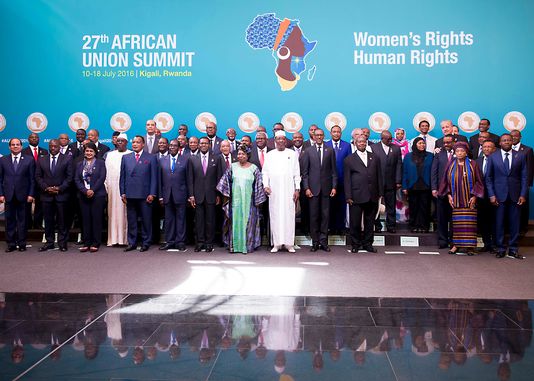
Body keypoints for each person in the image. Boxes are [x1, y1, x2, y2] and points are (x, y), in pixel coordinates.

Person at [216, 144, 267, 253]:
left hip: (250, 203)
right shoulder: (232, 167)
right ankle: (234, 246)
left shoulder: (254, 168)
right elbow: (224, 183)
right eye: (238, 154)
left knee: (248, 223)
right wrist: (226, 198)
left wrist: (258, 201)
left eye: (243, 154)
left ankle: (247, 246)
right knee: (235, 223)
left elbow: (259, 185)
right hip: (235, 203)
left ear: (247, 155)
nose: (240, 156)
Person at [486, 134, 528, 259]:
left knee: (515, 224)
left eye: (509, 140)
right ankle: (500, 248)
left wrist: (523, 194)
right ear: (500, 142)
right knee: (499, 223)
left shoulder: (520, 156)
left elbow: (524, 177)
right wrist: (492, 195)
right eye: (504, 140)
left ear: (512, 142)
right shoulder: (493, 157)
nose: (507, 142)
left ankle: (513, 249)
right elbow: (488, 178)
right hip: (498, 196)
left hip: (516, 195)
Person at [438, 142, 484, 255]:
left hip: (469, 199)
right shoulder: (450, 164)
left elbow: (479, 181)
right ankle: (455, 245)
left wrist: (474, 196)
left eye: (462, 151)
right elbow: (445, 182)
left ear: (466, 152)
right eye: (458, 151)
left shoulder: (473, 164)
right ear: (455, 152)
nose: (460, 153)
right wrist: (449, 195)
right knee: (456, 224)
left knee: (470, 224)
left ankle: (470, 247)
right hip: (456, 199)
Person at [262, 131, 300, 253]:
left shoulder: (292, 154)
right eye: (278, 139)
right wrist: (266, 185)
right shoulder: (269, 154)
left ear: (285, 140)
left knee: (289, 216)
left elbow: (296, 172)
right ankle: (277, 244)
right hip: (274, 191)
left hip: (289, 190)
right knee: (275, 216)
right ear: (275, 141)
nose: (280, 141)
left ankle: (289, 244)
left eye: (282, 139)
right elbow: (265, 172)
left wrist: (297, 189)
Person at [344, 135, 383, 253]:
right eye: (359, 142)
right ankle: (355, 244)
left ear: (366, 143)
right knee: (355, 222)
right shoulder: (349, 159)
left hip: (372, 195)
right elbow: (347, 180)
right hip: (356, 196)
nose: (362, 143)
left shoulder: (374, 157)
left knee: (370, 222)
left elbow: (379, 176)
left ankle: (368, 244)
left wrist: (380, 193)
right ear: (355, 143)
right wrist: (348, 196)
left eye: (363, 142)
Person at [300, 128, 337, 251]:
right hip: (313, 190)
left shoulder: (330, 150)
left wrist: (334, 186)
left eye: (321, 135)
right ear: (314, 137)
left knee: (325, 216)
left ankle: (323, 242)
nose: (319, 137)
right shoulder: (308, 151)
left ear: (324, 136)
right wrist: (306, 188)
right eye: (317, 135)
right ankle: (315, 242)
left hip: (327, 189)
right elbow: (305, 173)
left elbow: (333, 171)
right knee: (314, 216)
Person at [120, 136, 158, 252]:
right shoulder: (126, 157)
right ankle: (132, 243)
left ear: (143, 144)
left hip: (145, 194)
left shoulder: (151, 157)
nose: (135, 144)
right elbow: (123, 177)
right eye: (134, 142)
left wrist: (152, 193)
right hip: (130, 194)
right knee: (131, 220)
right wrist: (122, 192)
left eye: (138, 142)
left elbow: (154, 177)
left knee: (146, 220)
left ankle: (146, 242)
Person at [35, 139, 73, 252]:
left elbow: (69, 177)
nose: (53, 148)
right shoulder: (41, 159)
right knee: (48, 221)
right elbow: (38, 176)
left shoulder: (67, 158)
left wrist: (59, 188)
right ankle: (49, 242)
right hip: (46, 195)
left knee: (62, 220)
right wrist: (46, 188)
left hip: (62, 195)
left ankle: (62, 243)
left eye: (55, 146)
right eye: (51, 146)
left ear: (59, 147)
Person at [0, 138, 35, 252]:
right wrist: (1, 194)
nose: (15, 146)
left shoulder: (29, 160)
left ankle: (22, 243)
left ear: (21, 146)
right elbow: (0, 179)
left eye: (17, 144)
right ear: (9, 147)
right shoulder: (3, 160)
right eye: (13, 145)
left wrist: (31, 194)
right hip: (8, 195)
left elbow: (32, 179)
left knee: (22, 220)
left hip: (24, 195)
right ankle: (10, 244)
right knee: (9, 220)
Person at [187, 137, 221, 252]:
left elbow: (218, 178)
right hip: (197, 195)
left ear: (209, 145)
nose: (203, 145)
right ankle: (200, 242)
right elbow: (190, 179)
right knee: (199, 220)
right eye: (201, 143)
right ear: (198, 145)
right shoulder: (192, 159)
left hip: (211, 195)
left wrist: (218, 195)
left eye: (206, 143)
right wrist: (191, 195)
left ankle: (209, 243)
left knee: (210, 220)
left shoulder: (216, 158)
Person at [74, 142, 107, 252]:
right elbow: (77, 180)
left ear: (95, 152)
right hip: (83, 195)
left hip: (97, 195)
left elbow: (102, 178)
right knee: (85, 220)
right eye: (87, 151)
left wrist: (92, 190)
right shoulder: (79, 164)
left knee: (96, 219)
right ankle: (86, 242)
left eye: (91, 151)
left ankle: (96, 243)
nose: (88, 153)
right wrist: (85, 190)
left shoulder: (101, 163)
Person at [159, 139, 189, 251]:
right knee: (169, 219)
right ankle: (169, 241)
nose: (172, 147)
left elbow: (188, 179)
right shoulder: (162, 160)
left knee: (181, 219)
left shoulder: (185, 160)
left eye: (174, 146)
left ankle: (180, 242)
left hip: (181, 194)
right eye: (170, 145)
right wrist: (160, 195)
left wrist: (189, 195)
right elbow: (159, 180)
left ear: (179, 148)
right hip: (167, 195)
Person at [371, 130, 402, 233]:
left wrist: (398, 180)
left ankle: (391, 226)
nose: (390, 140)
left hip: (391, 182)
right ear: (382, 139)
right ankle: (377, 226)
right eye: (387, 139)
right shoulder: (373, 148)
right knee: (376, 205)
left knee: (391, 205)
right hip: (377, 183)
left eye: (391, 138)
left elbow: (399, 165)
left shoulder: (396, 148)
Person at [104, 133, 131, 246]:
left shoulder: (130, 154)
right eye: (118, 141)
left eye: (122, 141)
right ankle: (113, 239)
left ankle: (125, 240)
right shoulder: (110, 155)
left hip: (126, 189)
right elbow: (106, 173)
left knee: (125, 215)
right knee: (112, 214)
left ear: (126, 143)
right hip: (112, 189)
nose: (119, 143)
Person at [402, 137, 433, 233]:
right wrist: (404, 186)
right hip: (413, 185)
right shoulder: (408, 156)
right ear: (415, 145)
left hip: (426, 185)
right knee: (413, 207)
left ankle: (424, 226)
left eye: (423, 143)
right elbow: (405, 172)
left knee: (425, 207)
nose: (422, 145)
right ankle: (414, 226)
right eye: (419, 143)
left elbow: (433, 171)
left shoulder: (431, 156)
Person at [325, 125, 351, 234]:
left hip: (342, 180)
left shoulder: (347, 145)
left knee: (341, 205)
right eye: (334, 132)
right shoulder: (326, 145)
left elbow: (350, 163)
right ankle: (330, 227)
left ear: (341, 133)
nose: (336, 133)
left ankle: (340, 227)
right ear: (330, 133)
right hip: (328, 181)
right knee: (329, 205)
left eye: (338, 132)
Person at [431, 134, 454, 248]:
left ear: (454, 142)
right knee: (441, 217)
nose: (446, 145)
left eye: (448, 142)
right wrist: (434, 188)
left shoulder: (460, 153)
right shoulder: (439, 154)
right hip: (441, 191)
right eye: (444, 143)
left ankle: (454, 241)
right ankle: (443, 241)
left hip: (456, 192)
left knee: (454, 217)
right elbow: (434, 172)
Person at [510, 129, 534, 235]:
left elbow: (530, 168)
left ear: (520, 137)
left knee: (522, 206)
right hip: (510, 183)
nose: (513, 138)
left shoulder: (527, 150)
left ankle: (523, 227)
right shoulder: (505, 149)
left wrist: (527, 184)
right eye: (512, 136)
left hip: (522, 183)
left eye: (516, 136)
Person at [476, 140, 497, 253]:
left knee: (494, 220)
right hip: (481, 196)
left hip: (495, 195)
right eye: (485, 147)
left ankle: (495, 244)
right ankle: (487, 243)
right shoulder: (477, 161)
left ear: (494, 149)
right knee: (482, 220)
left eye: (489, 147)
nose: (487, 149)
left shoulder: (498, 160)